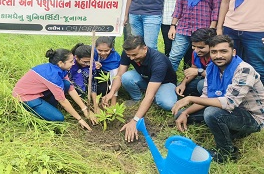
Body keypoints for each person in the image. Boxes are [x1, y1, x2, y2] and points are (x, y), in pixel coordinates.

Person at [172, 35, 264, 163]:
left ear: (233, 52)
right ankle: (230, 130)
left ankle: (226, 153)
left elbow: (229, 103)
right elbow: (206, 96)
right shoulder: (211, 68)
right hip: (229, 110)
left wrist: (190, 98)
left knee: (212, 113)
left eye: (223, 51)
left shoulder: (244, 69)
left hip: (252, 117)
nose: (218, 55)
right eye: (214, 52)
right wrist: (186, 112)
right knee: (181, 115)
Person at [102, 35, 177, 141]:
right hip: (146, 79)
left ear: (145, 48)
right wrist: (112, 92)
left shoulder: (158, 61)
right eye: (129, 55)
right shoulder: (128, 53)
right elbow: (119, 75)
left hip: (164, 83)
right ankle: (137, 99)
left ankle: (160, 97)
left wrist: (135, 120)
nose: (132, 58)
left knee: (166, 103)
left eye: (134, 55)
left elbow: (149, 96)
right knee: (126, 77)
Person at [12, 48, 96, 130]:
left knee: (66, 84)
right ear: (60, 63)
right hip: (26, 97)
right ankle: (32, 112)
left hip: (38, 92)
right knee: (59, 118)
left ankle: (47, 107)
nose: (73, 63)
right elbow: (63, 101)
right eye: (71, 61)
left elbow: (71, 88)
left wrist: (85, 109)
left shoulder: (60, 69)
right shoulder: (52, 76)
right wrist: (80, 119)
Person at [168, 0, 223, 72]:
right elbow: (179, 6)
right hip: (184, 28)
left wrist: (211, 30)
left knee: (206, 58)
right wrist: (173, 26)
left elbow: (216, 8)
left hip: (203, 29)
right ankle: (168, 83)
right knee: (174, 57)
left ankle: (203, 84)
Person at [175, 28, 216, 97]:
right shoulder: (196, 53)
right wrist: (183, 83)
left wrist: (198, 71)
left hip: (219, 82)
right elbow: (193, 69)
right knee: (181, 87)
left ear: (212, 46)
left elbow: (218, 76)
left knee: (201, 84)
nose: (196, 50)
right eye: (194, 46)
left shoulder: (218, 56)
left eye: (201, 47)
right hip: (204, 78)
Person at [94, 36, 121, 107]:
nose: (103, 53)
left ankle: (113, 101)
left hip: (108, 77)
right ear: (95, 47)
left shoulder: (115, 58)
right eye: (99, 50)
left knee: (114, 76)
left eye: (106, 51)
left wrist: (113, 97)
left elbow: (115, 78)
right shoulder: (91, 52)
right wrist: (93, 63)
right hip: (95, 75)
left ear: (111, 49)